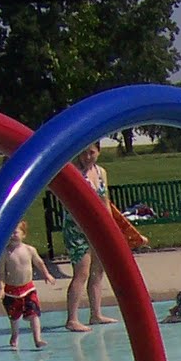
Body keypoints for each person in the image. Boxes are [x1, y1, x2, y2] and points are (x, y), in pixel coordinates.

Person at [62, 142, 118, 332]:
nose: (87, 157)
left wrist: (110, 227)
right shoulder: (73, 172)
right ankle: (72, 319)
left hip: (97, 228)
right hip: (76, 228)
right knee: (82, 272)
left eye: (91, 153)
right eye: (84, 153)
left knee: (98, 270)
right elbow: (71, 204)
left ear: (99, 152)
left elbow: (105, 201)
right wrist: (87, 227)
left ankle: (96, 314)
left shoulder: (101, 173)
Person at [0, 221, 54, 349]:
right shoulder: (5, 253)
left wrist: (46, 274)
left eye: (15, 232)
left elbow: (39, 263)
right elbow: (1, 273)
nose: (12, 235)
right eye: (10, 233)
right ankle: (15, 335)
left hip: (28, 288)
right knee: (14, 318)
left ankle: (37, 339)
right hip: (11, 291)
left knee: (34, 314)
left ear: (23, 234)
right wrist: (0, 289)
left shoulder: (30, 250)